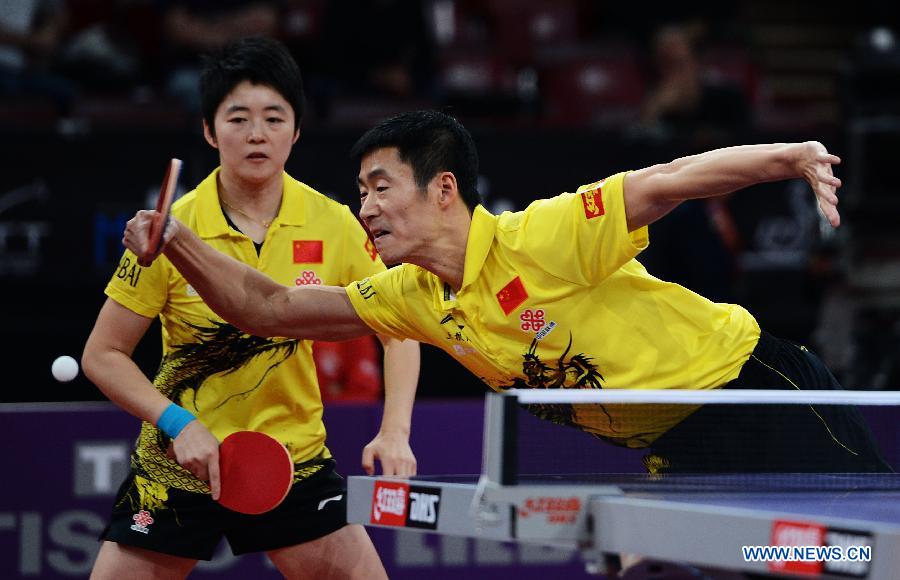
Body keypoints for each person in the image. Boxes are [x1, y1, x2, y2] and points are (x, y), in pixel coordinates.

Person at [122, 109, 892, 476]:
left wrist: (787, 156)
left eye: (381, 187)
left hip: (757, 395)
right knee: (748, 560)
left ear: (444, 188)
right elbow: (270, 309)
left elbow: (667, 182)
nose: (365, 209)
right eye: (360, 192)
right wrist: (180, 244)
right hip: (675, 444)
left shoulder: (543, 238)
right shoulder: (411, 295)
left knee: (847, 553)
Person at [82, 37, 419, 579]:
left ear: (297, 130)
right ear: (210, 131)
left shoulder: (334, 224)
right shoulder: (170, 231)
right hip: (180, 462)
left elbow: (400, 327)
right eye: (238, 118)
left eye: (274, 117)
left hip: (293, 459)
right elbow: (103, 354)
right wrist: (176, 421)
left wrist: (395, 429)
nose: (258, 133)